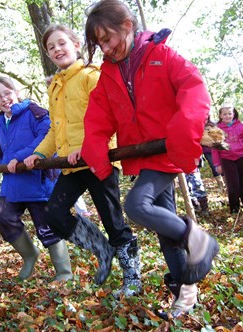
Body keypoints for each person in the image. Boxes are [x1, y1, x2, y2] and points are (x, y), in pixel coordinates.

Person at [81, 0, 219, 317]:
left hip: (165, 152)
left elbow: (193, 89)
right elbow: (98, 117)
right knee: (163, 229)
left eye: (108, 38)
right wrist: (95, 149)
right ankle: (185, 291)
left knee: (136, 206)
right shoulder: (109, 74)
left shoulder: (162, 56)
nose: (106, 47)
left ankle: (196, 237)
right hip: (143, 156)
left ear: (127, 26)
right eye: (100, 43)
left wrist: (182, 133)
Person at [23, 24, 141, 297]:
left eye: (61, 43)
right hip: (71, 164)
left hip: (99, 159)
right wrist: (39, 153)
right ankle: (102, 248)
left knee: (113, 221)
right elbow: (55, 129)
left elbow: (107, 116)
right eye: (51, 47)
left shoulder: (91, 76)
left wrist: (89, 146)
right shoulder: (54, 86)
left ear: (76, 45)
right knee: (53, 214)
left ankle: (132, 278)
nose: (56, 50)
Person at [0, 77, 72, 282]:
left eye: (7, 93)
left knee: (46, 228)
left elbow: (46, 137)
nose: (4, 99)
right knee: (3, 217)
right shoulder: (3, 121)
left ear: (16, 91)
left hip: (37, 184)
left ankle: (64, 272)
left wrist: (19, 157)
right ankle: (29, 256)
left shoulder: (34, 112)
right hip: (12, 186)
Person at [212, 105, 243, 213]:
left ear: (234, 114)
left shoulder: (241, 127)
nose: (227, 116)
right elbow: (215, 149)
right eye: (225, 114)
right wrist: (217, 164)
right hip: (226, 159)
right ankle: (234, 208)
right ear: (220, 116)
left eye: (229, 113)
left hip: (241, 157)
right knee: (233, 184)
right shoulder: (217, 130)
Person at [202, 117, 225, 191]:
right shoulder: (199, 126)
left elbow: (219, 137)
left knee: (222, 166)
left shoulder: (213, 125)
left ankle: (226, 183)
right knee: (214, 167)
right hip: (207, 151)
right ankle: (220, 184)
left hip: (216, 149)